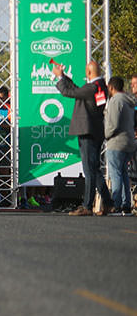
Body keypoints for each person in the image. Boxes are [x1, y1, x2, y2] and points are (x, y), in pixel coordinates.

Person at [52, 61, 113, 216]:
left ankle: (87, 205)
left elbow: (69, 92)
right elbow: (78, 90)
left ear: (89, 72)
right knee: (95, 170)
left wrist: (59, 78)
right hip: (94, 131)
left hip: (88, 132)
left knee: (89, 170)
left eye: (86, 70)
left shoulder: (92, 87)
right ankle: (108, 203)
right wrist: (64, 76)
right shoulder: (99, 86)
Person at [103, 76, 137, 214]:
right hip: (129, 142)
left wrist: (105, 135)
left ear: (111, 87)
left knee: (115, 174)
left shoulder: (115, 101)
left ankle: (116, 204)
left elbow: (113, 123)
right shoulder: (129, 101)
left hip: (116, 142)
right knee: (124, 174)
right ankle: (126, 204)